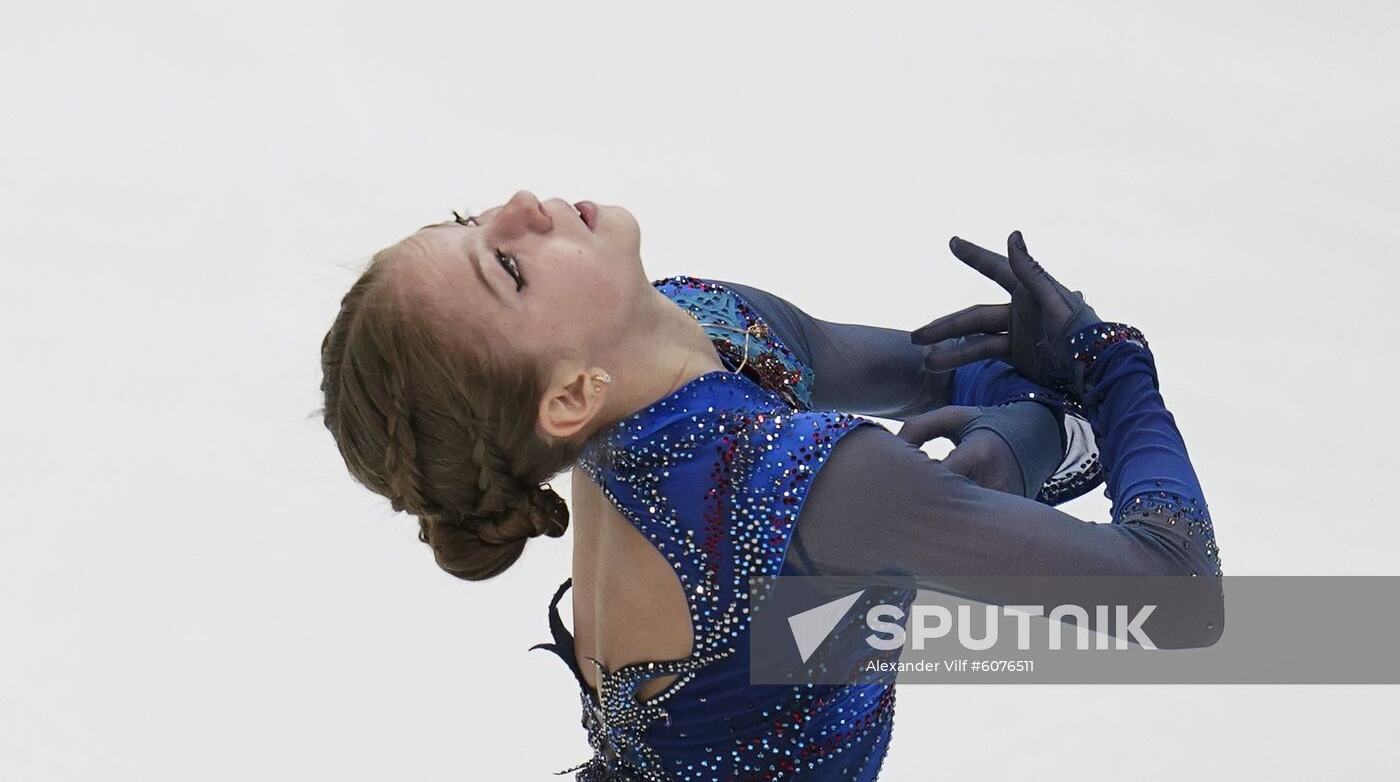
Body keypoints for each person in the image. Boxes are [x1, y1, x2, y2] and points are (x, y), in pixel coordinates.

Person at [318, 191, 1218, 780]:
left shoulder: (695, 324)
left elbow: (942, 371)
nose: (517, 208)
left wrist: (1013, 417)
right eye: (507, 270)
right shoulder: (797, 483)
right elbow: (1175, 598)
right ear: (569, 396)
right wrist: (1111, 365)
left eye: (473, 217)